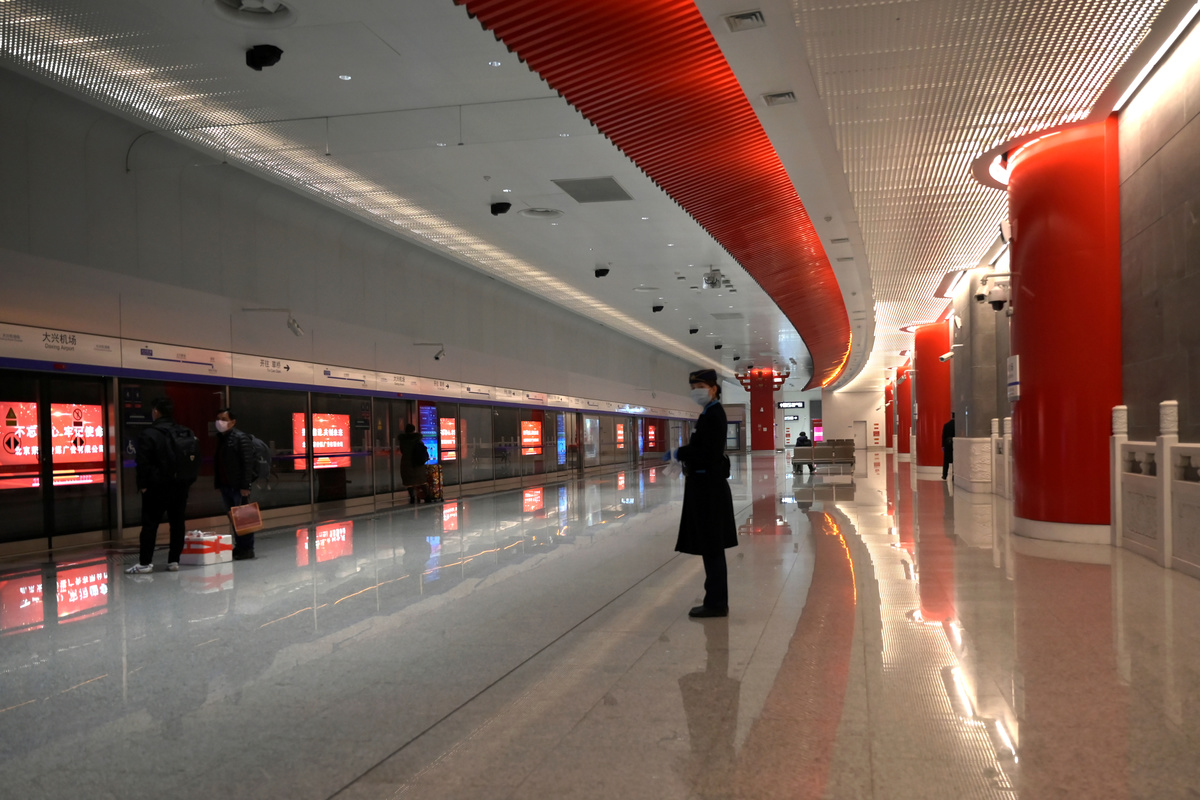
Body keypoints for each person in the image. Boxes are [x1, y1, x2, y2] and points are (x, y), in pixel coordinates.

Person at [670, 369, 738, 618]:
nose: (695, 391)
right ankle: (715, 600)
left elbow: (707, 452)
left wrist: (680, 453)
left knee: (712, 546)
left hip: (709, 490)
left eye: (700, 387)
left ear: (713, 388)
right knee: (711, 546)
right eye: (693, 387)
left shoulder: (714, 414)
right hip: (705, 487)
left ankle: (716, 603)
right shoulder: (709, 412)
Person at [127, 397, 196, 574]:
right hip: (180, 486)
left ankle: (145, 563)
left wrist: (143, 485)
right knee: (177, 523)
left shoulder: (149, 434)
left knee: (150, 524)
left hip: (156, 487)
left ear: (156, 411)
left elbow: (142, 463)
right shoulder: (185, 432)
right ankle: (174, 561)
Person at [215, 407, 256, 559]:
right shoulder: (222, 439)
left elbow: (247, 463)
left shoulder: (240, 438)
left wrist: (245, 486)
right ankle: (239, 547)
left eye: (224, 419)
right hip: (226, 485)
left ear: (233, 422)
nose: (220, 422)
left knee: (244, 518)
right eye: (218, 419)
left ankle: (247, 548)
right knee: (234, 519)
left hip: (238, 487)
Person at [397, 423, 429, 504]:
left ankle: (412, 498)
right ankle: (427, 497)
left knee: (409, 482)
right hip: (418, 462)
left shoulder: (403, 441)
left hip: (406, 463)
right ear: (414, 430)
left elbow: (402, 450)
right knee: (421, 481)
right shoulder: (417, 440)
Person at [942, 412, 956, 480]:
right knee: (955, 459)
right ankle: (954, 474)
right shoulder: (957, 425)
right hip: (955, 443)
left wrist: (943, 446)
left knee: (946, 460)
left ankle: (944, 475)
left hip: (947, 443)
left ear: (951, 416)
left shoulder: (946, 425)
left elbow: (943, 436)